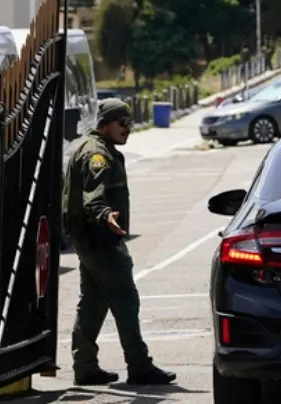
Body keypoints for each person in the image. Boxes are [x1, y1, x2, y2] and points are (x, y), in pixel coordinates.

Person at [61, 98, 177, 387]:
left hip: (90, 239)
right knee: (125, 298)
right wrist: (105, 216)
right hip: (100, 240)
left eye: (131, 123)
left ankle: (85, 367)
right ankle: (139, 366)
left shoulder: (98, 148)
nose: (128, 129)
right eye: (122, 123)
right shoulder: (97, 155)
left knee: (94, 302)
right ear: (106, 124)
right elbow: (93, 196)